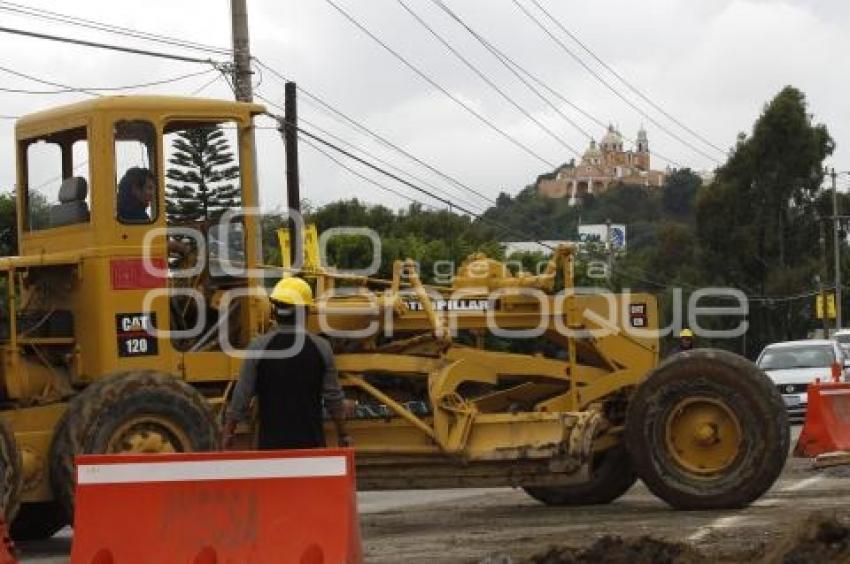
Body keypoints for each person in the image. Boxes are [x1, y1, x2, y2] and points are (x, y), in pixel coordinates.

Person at [222, 277, 350, 449]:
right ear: (304, 312)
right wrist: (343, 435)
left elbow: (241, 397)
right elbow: (333, 399)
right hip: (311, 446)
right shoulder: (322, 348)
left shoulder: (258, 347)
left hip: (271, 447)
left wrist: (228, 432)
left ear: (274, 312)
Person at [117, 167, 189, 255]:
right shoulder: (134, 216)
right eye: (149, 188)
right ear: (136, 189)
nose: (153, 193)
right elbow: (147, 245)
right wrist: (176, 246)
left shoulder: (118, 210)